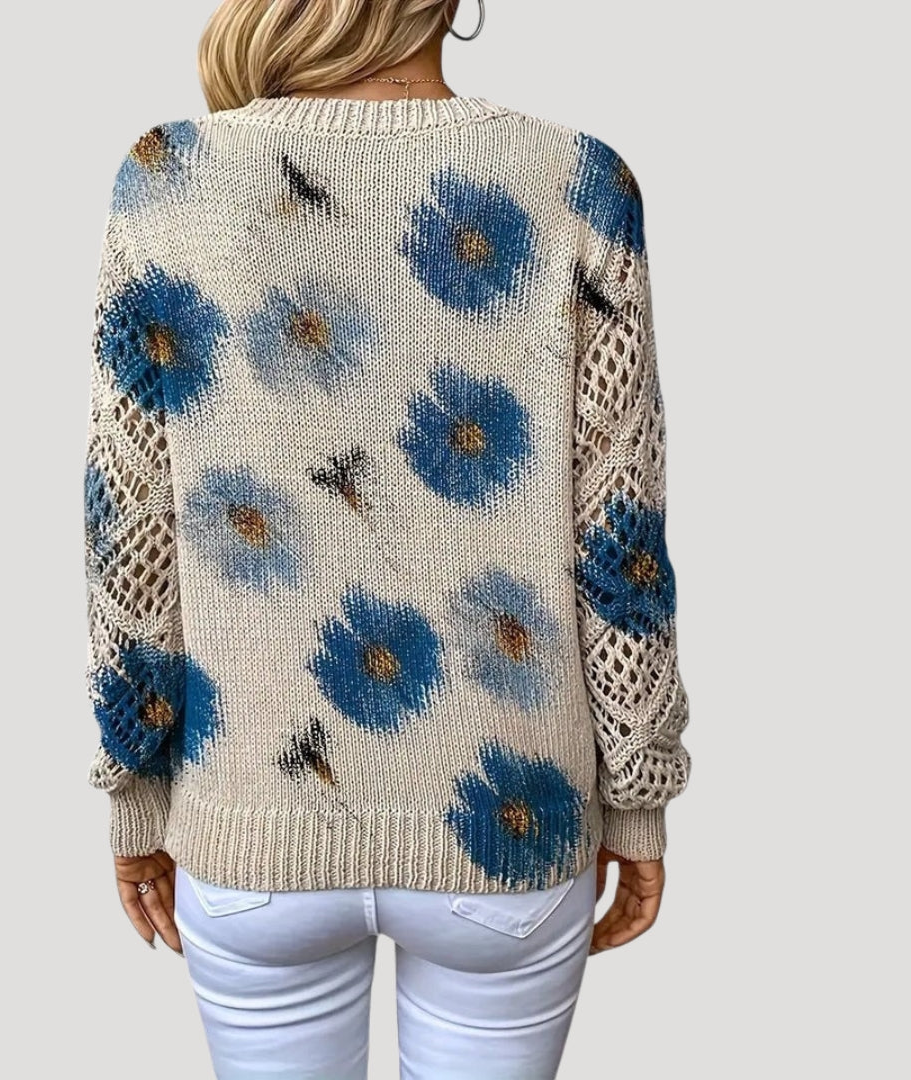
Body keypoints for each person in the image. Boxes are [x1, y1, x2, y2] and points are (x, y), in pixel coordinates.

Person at [81, 1, 693, 1076]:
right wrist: (636, 801)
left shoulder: (167, 178)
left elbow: (128, 521)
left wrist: (136, 791)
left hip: (251, 828)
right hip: (514, 830)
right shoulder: (579, 179)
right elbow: (620, 525)